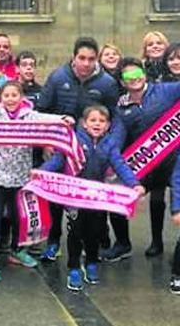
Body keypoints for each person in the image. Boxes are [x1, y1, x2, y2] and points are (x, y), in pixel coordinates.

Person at [0, 81, 70, 283]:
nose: (10, 99)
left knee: (20, 218)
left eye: (14, 95)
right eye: (6, 95)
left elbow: (47, 119)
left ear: (21, 97)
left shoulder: (30, 116)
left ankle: (17, 250)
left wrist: (63, 119)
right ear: (1, 98)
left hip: (21, 177)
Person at [41, 105, 144, 291]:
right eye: (93, 120)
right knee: (75, 231)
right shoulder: (73, 141)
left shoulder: (110, 144)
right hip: (74, 195)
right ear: (84, 123)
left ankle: (91, 263)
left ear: (108, 125)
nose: (97, 124)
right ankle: (73, 268)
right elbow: (58, 160)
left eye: (102, 121)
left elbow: (120, 165)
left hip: (97, 196)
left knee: (95, 231)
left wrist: (134, 184)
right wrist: (40, 173)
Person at [37, 37, 120, 262]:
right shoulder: (57, 77)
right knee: (55, 198)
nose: (86, 63)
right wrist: (46, 142)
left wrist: (109, 147)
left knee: (93, 199)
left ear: (97, 60)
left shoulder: (107, 84)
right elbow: (41, 110)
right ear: (74, 57)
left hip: (92, 152)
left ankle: (97, 244)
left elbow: (115, 118)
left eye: (91, 59)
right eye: (81, 58)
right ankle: (54, 242)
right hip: (59, 149)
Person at [108, 57, 180, 260]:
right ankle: (122, 243)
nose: (134, 79)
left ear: (144, 74)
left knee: (163, 201)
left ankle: (162, 244)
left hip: (174, 163)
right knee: (115, 191)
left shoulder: (165, 90)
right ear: (122, 82)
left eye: (137, 73)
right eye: (128, 76)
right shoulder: (121, 109)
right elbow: (115, 142)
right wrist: (127, 178)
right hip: (145, 165)